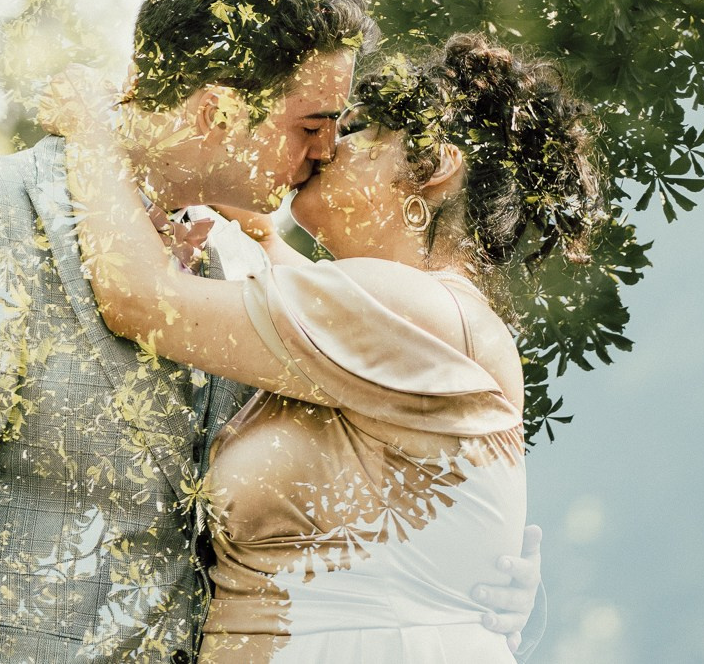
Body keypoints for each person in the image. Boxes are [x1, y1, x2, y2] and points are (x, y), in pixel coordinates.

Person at [0, 0, 542, 663]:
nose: (328, 151)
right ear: (217, 114)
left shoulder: (246, 270)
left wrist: (479, 585)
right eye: (313, 125)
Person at [57, 33, 602, 663]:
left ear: (435, 166)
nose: (328, 146)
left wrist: (89, 130)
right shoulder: (413, 318)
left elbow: (142, 303)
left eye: (361, 129)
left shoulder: (416, 310)